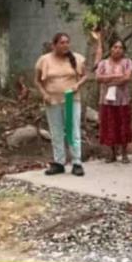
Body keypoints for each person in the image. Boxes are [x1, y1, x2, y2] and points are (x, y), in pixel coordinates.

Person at [34, 33, 88, 176]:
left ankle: (77, 162)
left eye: (67, 42)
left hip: (70, 98)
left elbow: (85, 75)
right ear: (54, 45)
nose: (65, 45)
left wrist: (78, 85)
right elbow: (37, 80)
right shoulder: (44, 60)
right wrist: (44, 93)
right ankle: (59, 162)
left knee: (72, 130)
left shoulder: (76, 58)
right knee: (56, 131)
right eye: (62, 43)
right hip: (52, 100)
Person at [96, 39, 132, 164]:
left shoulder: (128, 62)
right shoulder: (103, 63)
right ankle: (111, 154)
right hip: (107, 100)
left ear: (123, 50)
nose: (117, 50)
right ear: (110, 49)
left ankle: (124, 153)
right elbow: (98, 78)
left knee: (123, 125)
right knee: (109, 125)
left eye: (120, 47)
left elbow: (127, 77)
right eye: (115, 47)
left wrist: (109, 81)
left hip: (122, 100)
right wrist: (115, 76)